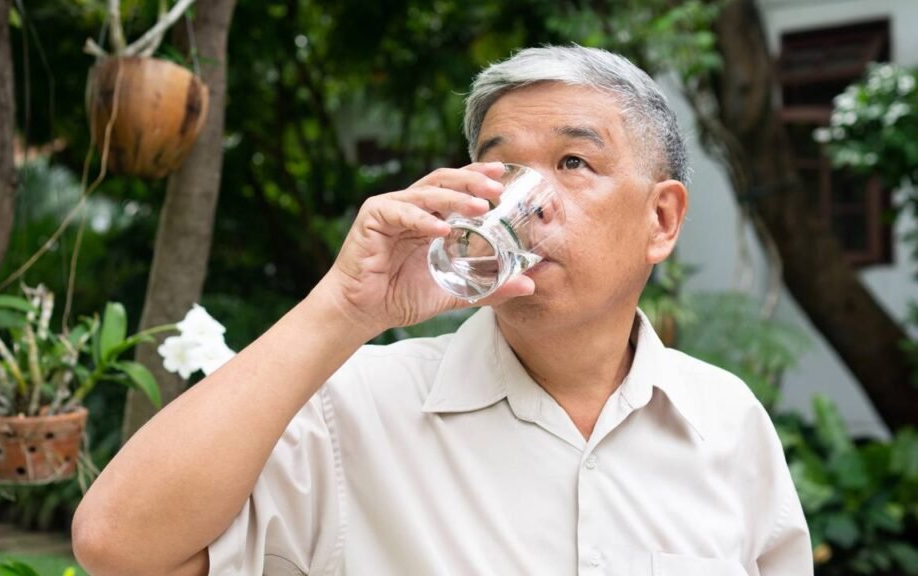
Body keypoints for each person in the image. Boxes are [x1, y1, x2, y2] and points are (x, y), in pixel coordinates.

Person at [72, 45, 813, 576]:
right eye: (505, 168)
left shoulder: (726, 422)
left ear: (661, 220)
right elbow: (117, 547)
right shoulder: (352, 407)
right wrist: (343, 306)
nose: (531, 201)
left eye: (574, 163)